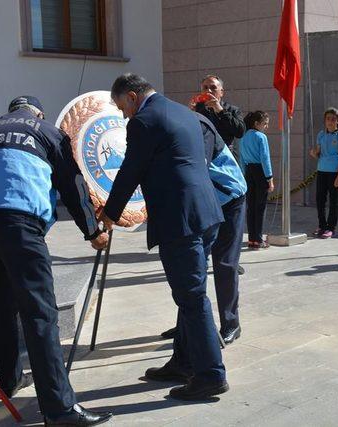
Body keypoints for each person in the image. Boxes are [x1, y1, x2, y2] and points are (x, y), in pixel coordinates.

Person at [0, 96, 112, 426]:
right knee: (39, 313)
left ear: (10, 111)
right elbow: (72, 185)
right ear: (38, 113)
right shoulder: (47, 131)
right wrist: (92, 231)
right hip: (19, 219)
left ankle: (10, 380)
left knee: (0, 304)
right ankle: (59, 409)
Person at [98, 74, 229, 400]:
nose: (123, 115)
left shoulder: (144, 121)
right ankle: (184, 361)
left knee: (192, 297)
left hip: (179, 220)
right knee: (191, 292)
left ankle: (210, 374)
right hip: (207, 213)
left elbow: (131, 170)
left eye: (121, 108)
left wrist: (109, 214)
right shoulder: (183, 112)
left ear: (131, 96)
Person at [161, 113, 247, 345]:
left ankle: (231, 323)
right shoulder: (180, 130)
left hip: (229, 199)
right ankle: (190, 324)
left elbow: (197, 167)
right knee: (193, 265)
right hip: (207, 201)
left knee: (225, 263)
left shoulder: (201, 128)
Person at [191, 74, 248, 276]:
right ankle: (204, 259)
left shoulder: (231, 110)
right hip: (204, 169)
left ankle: (231, 260)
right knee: (208, 215)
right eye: (205, 87)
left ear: (221, 91)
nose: (208, 91)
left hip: (226, 168)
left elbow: (239, 131)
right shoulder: (197, 110)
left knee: (231, 219)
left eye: (213, 88)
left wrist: (219, 110)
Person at [310, 107, 338, 239]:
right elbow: (318, 153)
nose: (330, 122)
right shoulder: (321, 135)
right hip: (321, 171)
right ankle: (322, 225)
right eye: (328, 119)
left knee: (333, 201)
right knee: (320, 200)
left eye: (333, 119)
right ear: (325, 121)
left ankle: (331, 228)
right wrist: (314, 153)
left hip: (334, 173)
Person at [238, 111, 274, 249]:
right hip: (260, 172)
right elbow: (265, 159)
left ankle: (252, 239)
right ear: (256, 123)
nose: (266, 126)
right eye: (265, 123)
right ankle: (258, 239)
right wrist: (269, 178)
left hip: (248, 172)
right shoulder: (261, 137)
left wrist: (243, 173)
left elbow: (241, 158)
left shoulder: (243, 137)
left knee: (251, 207)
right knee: (260, 207)